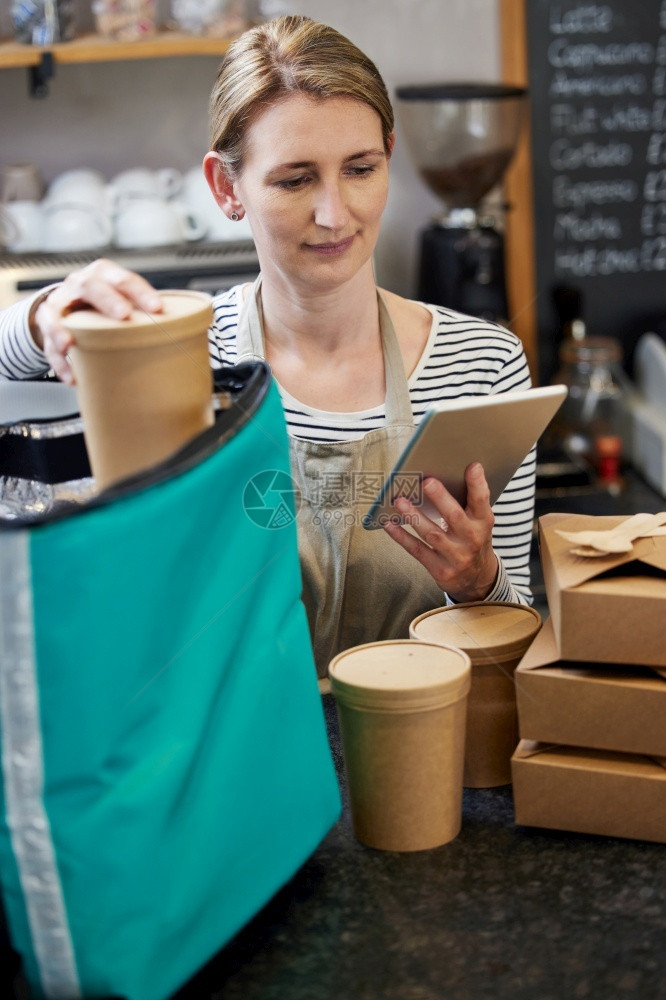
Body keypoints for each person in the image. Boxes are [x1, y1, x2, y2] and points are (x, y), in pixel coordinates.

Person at [0, 15, 535, 676]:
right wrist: (47, 313)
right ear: (227, 188)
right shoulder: (174, 358)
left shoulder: (483, 367)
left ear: (388, 158)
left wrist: (480, 584)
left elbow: (522, 646)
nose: (335, 214)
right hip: (232, 763)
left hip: (420, 759)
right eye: (295, 179)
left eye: (360, 168)